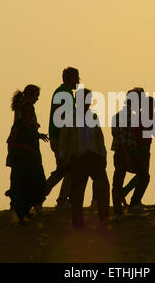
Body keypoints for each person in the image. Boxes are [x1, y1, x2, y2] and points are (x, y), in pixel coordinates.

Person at [59, 88, 110, 227]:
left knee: (103, 186)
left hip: (95, 156)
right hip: (78, 157)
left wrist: (103, 154)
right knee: (77, 190)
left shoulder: (93, 116)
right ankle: (78, 221)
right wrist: (62, 156)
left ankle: (103, 217)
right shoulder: (70, 116)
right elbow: (64, 138)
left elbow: (99, 136)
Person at [6, 95, 49, 225]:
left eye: (31, 111)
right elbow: (10, 142)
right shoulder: (18, 125)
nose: (29, 113)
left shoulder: (32, 124)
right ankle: (21, 216)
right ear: (23, 112)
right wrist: (25, 147)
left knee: (40, 185)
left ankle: (26, 211)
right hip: (21, 162)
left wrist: (39, 135)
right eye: (27, 111)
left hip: (34, 161)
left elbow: (32, 135)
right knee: (22, 188)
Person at [121, 96, 155, 205]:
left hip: (145, 146)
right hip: (140, 147)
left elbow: (152, 130)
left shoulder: (149, 115)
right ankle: (128, 195)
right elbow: (151, 130)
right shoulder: (141, 116)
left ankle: (132, 197)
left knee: (143, 175)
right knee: (143, 175)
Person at [111, 88, 151, 220]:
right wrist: (127, 155)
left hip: (127, 151)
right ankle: (125, 208)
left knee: (137, 176)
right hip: (125, 152)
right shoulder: (125, 115)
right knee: (140, 176)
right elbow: (121, 137)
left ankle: (125, 208)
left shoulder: (129, 115)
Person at [46, 67, 79, 209]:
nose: (78, 81)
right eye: (77, 78)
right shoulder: (63, 93)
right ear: (70, 78)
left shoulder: (67, 93)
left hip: (62, 137)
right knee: (65, 169)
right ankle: (45, 197)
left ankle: (58, 199)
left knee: (66, 169)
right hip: (61, 138)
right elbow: (63, 117)